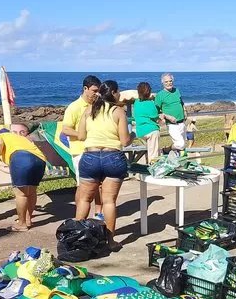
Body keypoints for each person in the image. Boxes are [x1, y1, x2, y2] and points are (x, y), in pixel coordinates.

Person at [75, 80, 131, 251]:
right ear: (113, 93)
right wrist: (133, 134)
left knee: (84, 199)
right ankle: (111, 241)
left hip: (90, 156)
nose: (120, 94)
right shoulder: (118, 111)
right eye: (118, 92)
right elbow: (125, 141)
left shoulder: (89, 110)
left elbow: (81, 136)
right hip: (112, 156)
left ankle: (75, 237)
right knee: (109, 202)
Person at [0, 125, 46, 232]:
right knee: (31, 192)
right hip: (40, 160)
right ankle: (28, 219)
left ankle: (21, 224)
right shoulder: (16, 137)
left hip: (22, 158)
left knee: (21, 194)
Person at [63, 75, 104, 220]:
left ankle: (99, 214)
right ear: (85, 88)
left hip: (98, 151)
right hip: (80, 151)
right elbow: (66, 130)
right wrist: (84, 135)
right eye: (94, 90)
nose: (96, 94)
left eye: (98, 91)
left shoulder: (98, 105)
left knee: (100, 185)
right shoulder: (74, 107)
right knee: (84, 187)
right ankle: (79, 218)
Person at [155, 73, 187, 150]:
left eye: (170, 81)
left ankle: (179, 160)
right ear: (162, 83)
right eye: (166, 82)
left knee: (183, 146)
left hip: (182, 122)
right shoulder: (160, 95)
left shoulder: (176, 91)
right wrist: (167, 116)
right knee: (180, 144)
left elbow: (181, 102)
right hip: (172, 124)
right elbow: (157, 111)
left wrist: (185, 111)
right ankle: (167, 150)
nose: (169, 83)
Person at [132, 82, 162, 161]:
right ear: (149, 92)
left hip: (140, 132)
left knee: (150, 152)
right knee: (154, 155)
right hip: (151, 131)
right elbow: (156, 119)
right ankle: (154, 171)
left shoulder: (136, 102)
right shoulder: (150, 104)